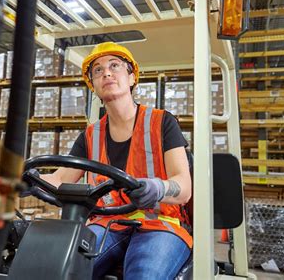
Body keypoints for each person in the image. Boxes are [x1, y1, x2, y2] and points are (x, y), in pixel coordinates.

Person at [42, 42, 192, 279]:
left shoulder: (161, 123)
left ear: (132, 77)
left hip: (159, 223)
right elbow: (59, 178)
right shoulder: (91, 135)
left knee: (143, 275)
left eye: (115, 66)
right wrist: (23, 179)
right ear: (93, 85)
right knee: (58, 269)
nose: (107, 73)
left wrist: (156, 187)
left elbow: (183, 188)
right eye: (98, 71)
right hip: (106, 223)